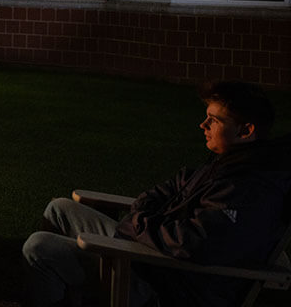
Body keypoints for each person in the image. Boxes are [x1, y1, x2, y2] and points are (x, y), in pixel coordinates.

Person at [22, 81, 291, 307]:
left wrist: (138, 223)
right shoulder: (224, 164)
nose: (202, 125)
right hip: (152, 257)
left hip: (167, 287)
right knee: (58, 208)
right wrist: (143, 221)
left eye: (214, 120)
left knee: (40, 247)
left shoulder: (247, 187)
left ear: (246, 131)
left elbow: (191, 242)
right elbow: (154, 195)